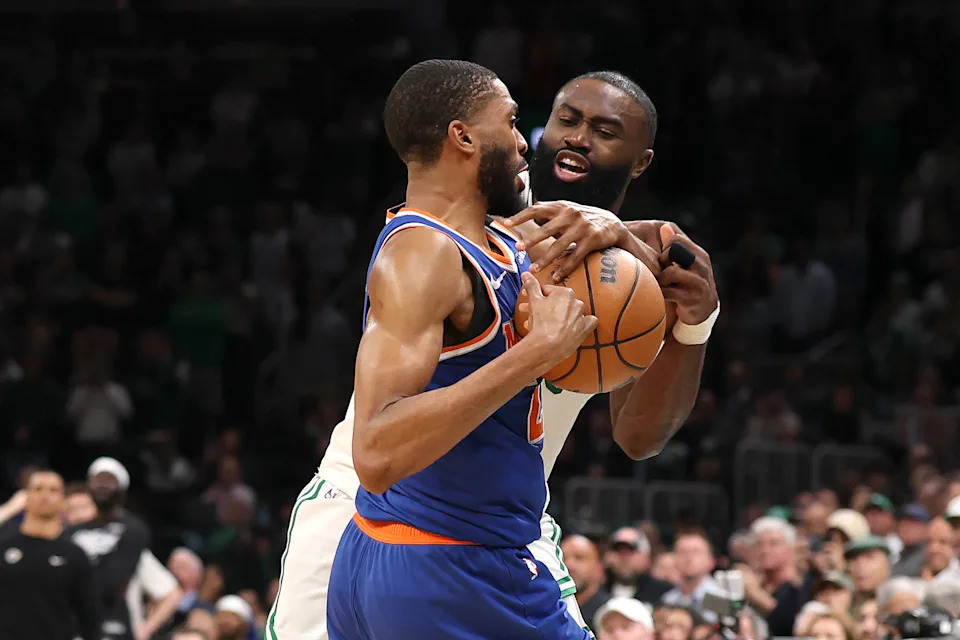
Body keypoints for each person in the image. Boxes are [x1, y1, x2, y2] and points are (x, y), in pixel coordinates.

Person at [271, 65, 718, 639]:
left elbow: (639, 436)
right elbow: (453, 220)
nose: (578, 137)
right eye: (566, 119)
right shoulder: (479, 217)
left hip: (497, 528)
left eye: (605, 131)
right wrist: (609, 229)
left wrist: (695, 325)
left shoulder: (632, 275)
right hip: (368, 502)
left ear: (640, 161)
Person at [67, 457, 182, 640]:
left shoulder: (131, 531)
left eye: (82, 507)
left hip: (114, 626)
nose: (78, 514)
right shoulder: (66, 535)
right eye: (71, 509)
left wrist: (143, 631)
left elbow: (170, 593)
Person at [0, 470, 101, 640]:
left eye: (53, 490)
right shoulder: (4, 548)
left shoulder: (74, 555)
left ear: (63, 501)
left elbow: (89, 617)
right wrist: (9, 508)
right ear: (25, 496)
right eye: (38, 489)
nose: (45, 496)